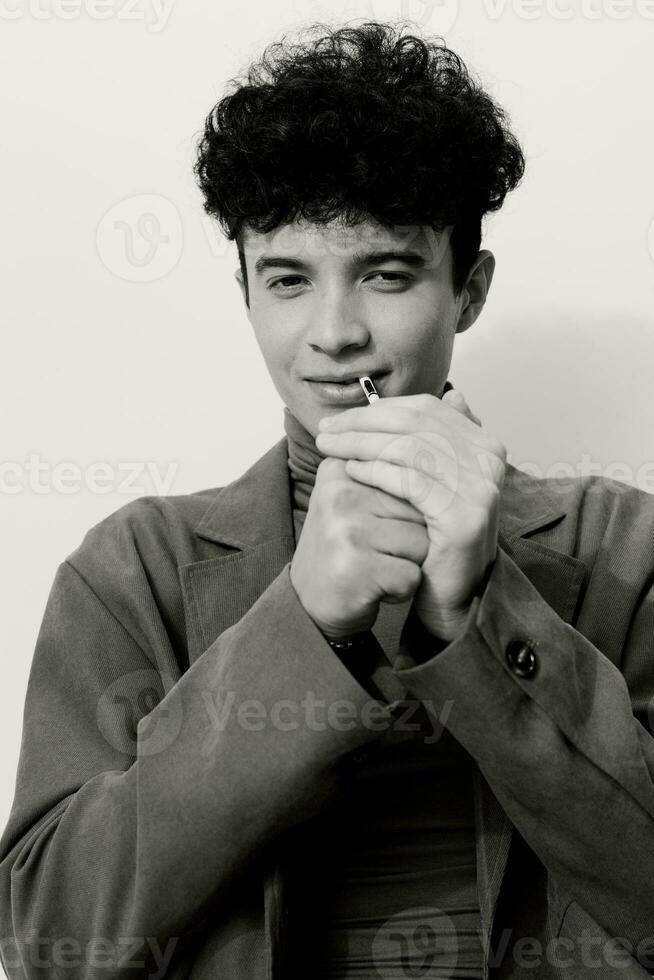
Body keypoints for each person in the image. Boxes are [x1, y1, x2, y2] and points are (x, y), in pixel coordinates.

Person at [1, 19, 653, 980]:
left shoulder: (624, 547)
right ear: (246, 295)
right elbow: (47, 939)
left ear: (468, 290)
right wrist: (300, 628)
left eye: (386, 274)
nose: (335, 333)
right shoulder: (130, 569)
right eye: (289, 280)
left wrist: (483, 608)